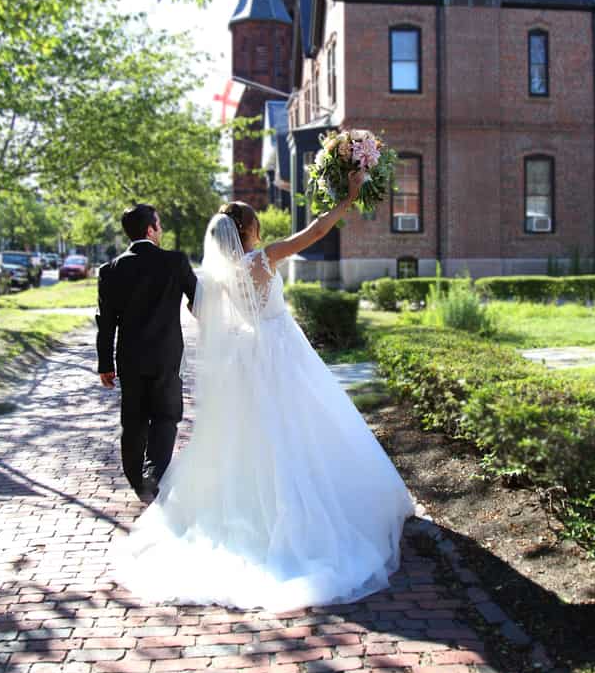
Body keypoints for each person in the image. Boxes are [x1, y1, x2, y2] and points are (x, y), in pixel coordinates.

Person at [113, 171, 414, 612]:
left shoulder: (219, 276)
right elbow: (315, 231)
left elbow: (206, 318)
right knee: (303, 427)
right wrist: (347, 199)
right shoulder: (263, 259)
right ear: (249, 231)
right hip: (282, 350)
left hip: (249, 356)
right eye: (256, 226)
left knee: (256, 439)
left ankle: (256, 512)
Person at [96, 203, 197, 503]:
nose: (162, 230)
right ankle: (152, 474)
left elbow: (106, 322)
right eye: (160, 224)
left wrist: (105, 363)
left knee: (134, 420)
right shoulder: (175, 262)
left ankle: (134, 476)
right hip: (167, 356)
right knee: (166, 416)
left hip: (129, 358)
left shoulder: (110, 270)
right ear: (150, 230)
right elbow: (198, 299)